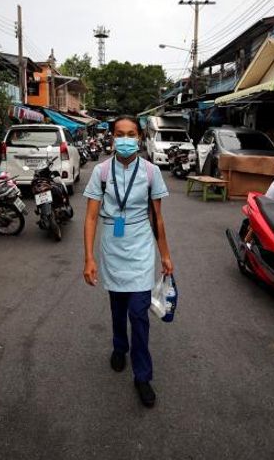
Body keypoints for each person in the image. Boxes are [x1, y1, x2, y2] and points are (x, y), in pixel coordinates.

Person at [83, 115, 173, 408]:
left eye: (131, 133)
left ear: (138, 137)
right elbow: (91, 216)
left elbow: (157, 217)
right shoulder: (101, 172)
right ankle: (119, 346)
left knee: (138, 312)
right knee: (118, 306)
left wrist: (165, 254)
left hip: (142, 244)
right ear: (112, 138)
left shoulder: (150, 172)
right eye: (119, 134)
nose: (125, 139)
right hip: (112, 241)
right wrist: (89, 258)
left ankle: (143, 376)